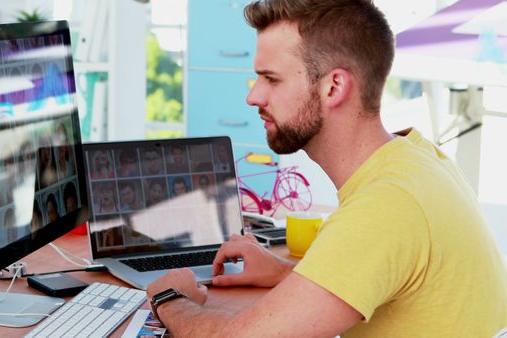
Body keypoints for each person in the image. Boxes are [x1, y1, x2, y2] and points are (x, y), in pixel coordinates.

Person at [145, 1, 507, 337]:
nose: (253, 96)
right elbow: (384, 273)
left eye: (271, 79)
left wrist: (168, 298)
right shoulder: (419, 158)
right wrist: (287, 274)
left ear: (334, 86)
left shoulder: (386, 205)